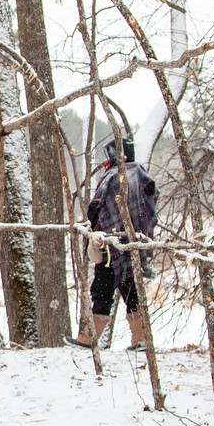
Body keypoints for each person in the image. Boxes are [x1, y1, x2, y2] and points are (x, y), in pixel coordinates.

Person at [68, 135, 157, 350]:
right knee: (131, 289)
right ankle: (140, 339)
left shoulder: (113, 177)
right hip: (134, 243)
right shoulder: (142, 176)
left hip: (112, 243)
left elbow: (98, 208)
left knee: (102, 289)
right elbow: (149, 211)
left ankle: (90, 338)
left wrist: (94, 232)